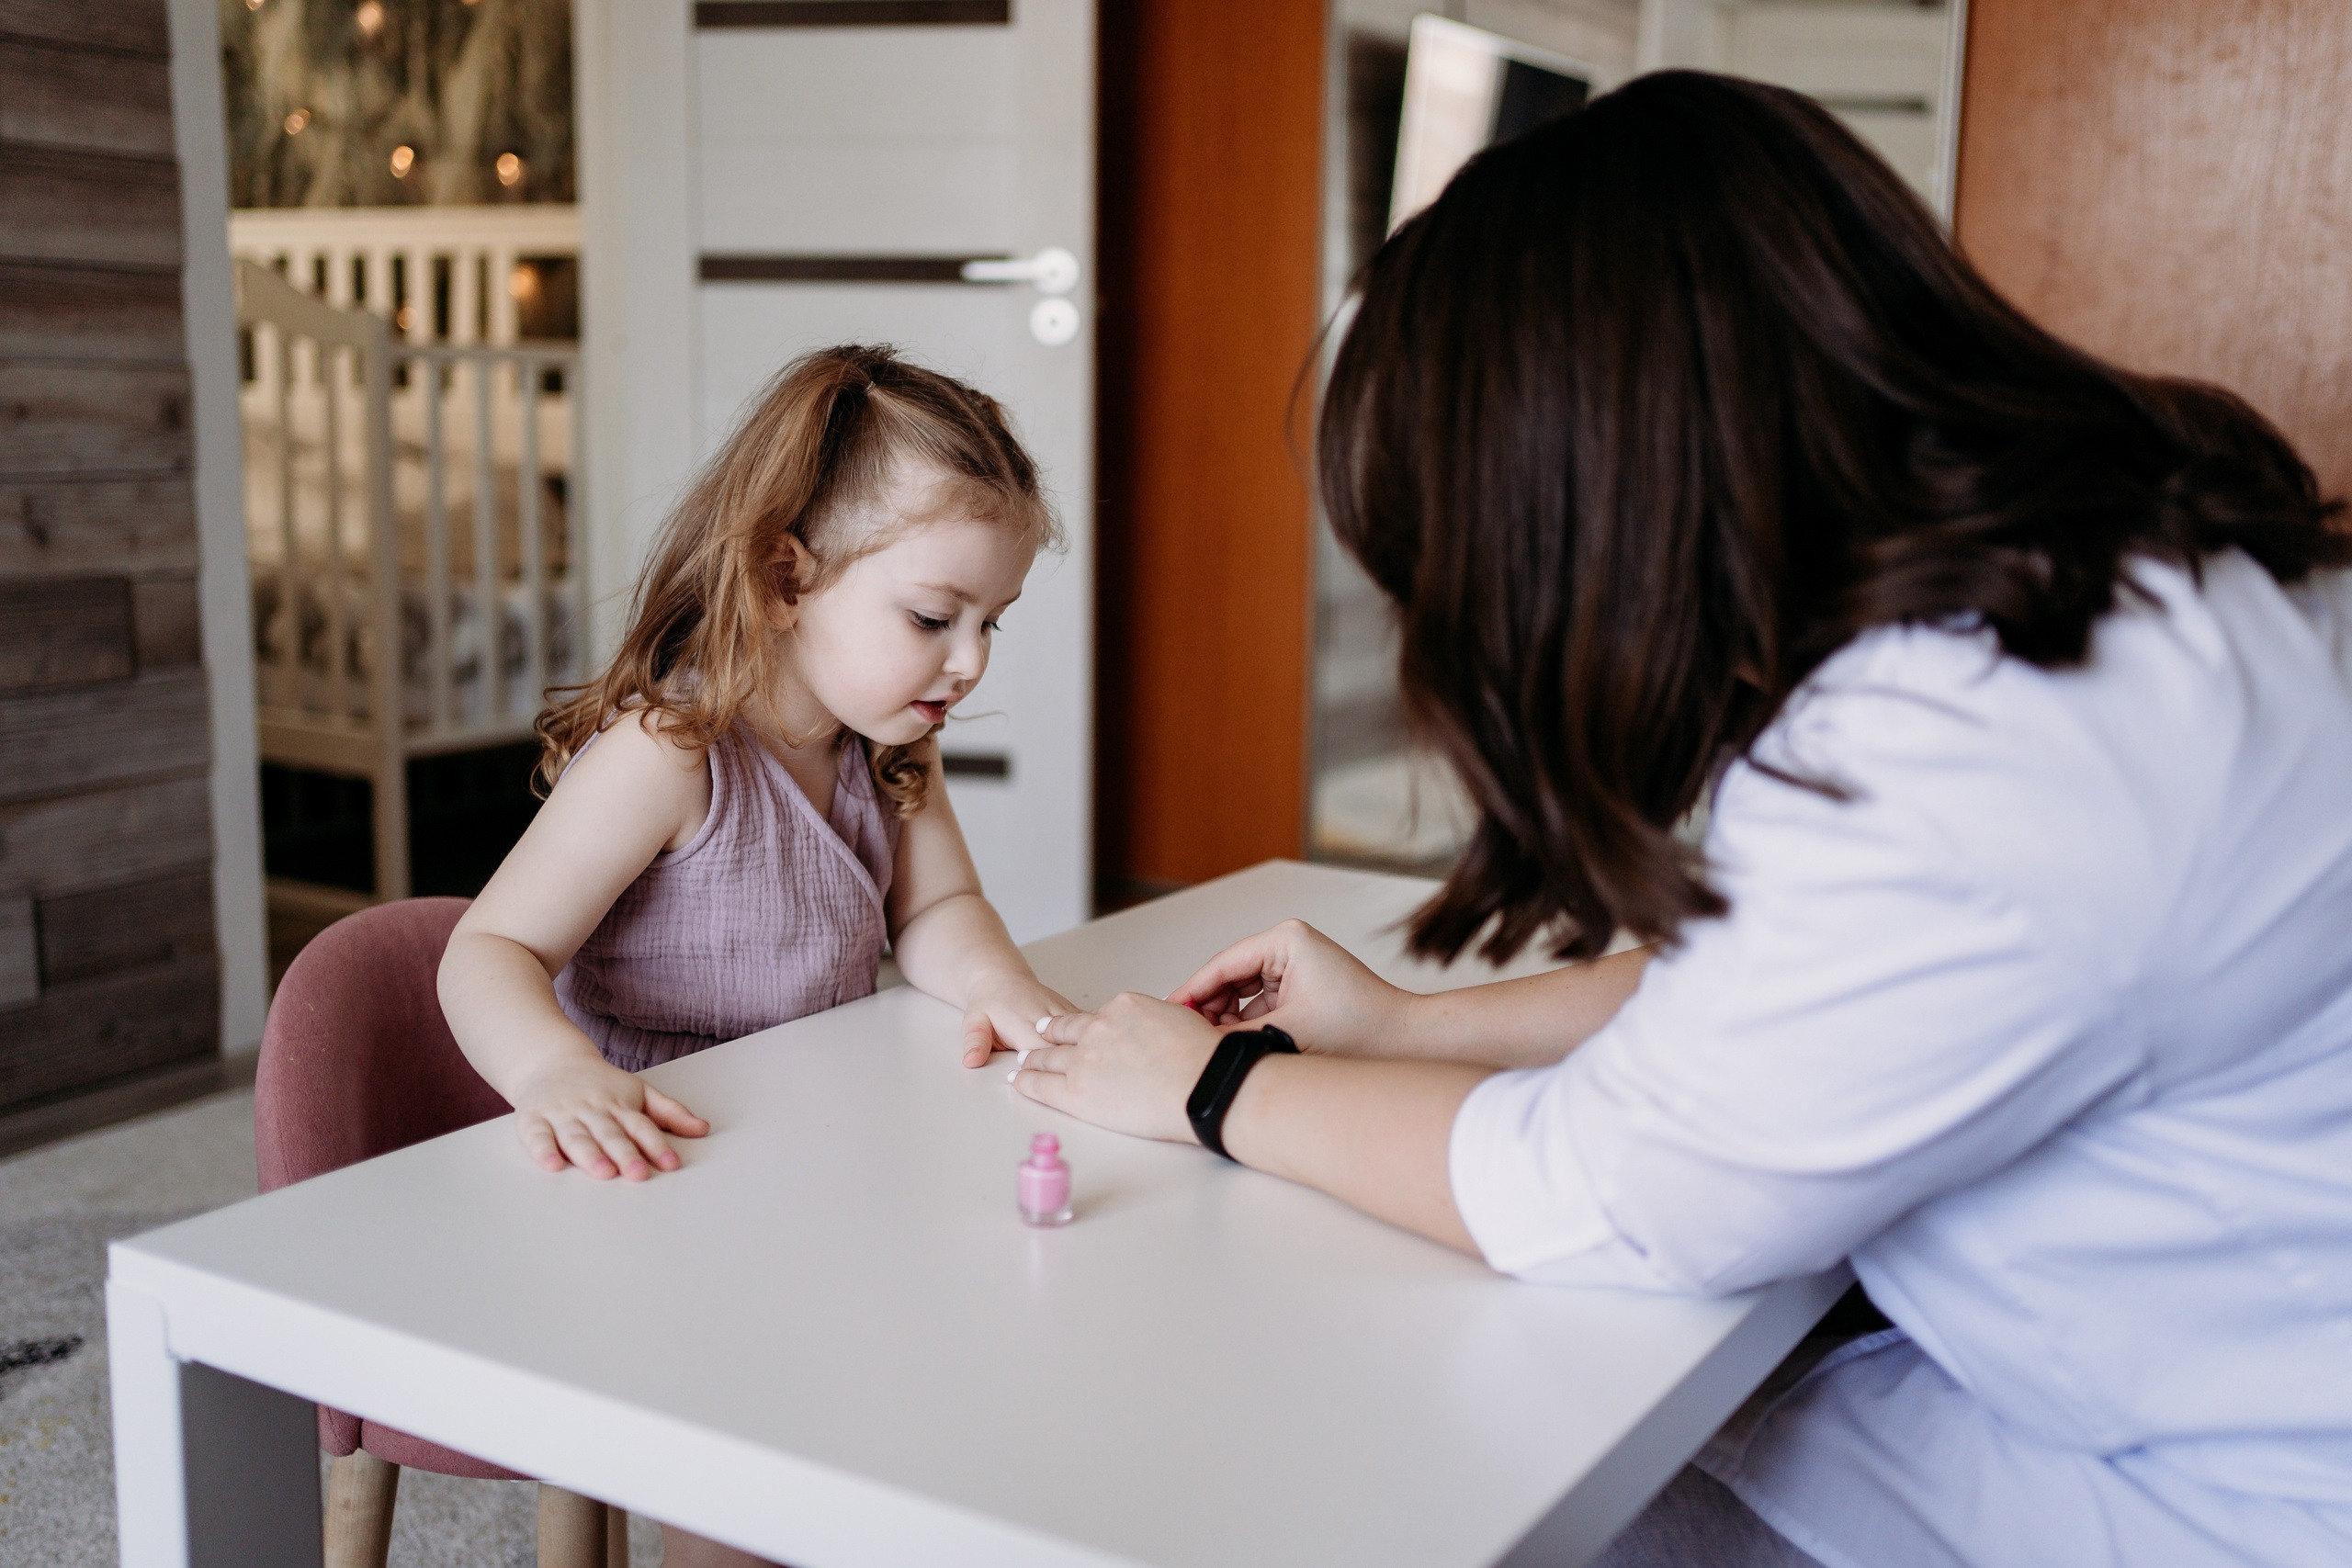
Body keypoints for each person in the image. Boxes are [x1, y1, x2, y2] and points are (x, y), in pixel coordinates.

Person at [1014, 72, 2352, 1568]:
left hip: (2244, 1498)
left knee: (1440, 1468)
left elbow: (1613, 1196)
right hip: (2150, 1371)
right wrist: (1402, 1029)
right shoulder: (2084, 590)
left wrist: (1219, 1091)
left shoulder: (1985, 760)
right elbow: (1785, 990)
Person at [439, 345, 1072, 1566]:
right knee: (760, 1454)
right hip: (654, 1181)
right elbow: (490, 948)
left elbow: (936, 915)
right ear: (787, 579)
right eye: (935, 618)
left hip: (801, 1151)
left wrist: (1010, 994)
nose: (974, 661)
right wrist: (553, 1072)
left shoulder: (886, 750)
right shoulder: (668, 751)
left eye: (992, 622)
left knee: (956, 1356)